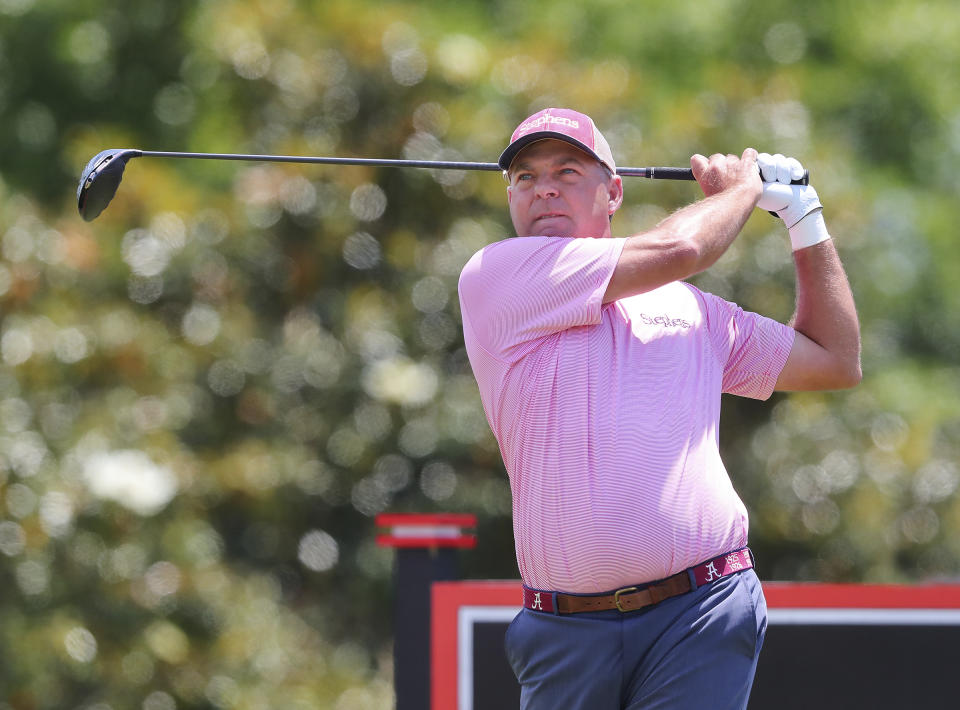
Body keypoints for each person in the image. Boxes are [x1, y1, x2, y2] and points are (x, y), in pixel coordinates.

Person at [457, 108, 861, 710]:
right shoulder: (497, 276)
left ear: (613, 191)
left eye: (568, 171)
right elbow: (686, 243)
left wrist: (804, 220)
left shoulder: (694, 312)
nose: (544, 187)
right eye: (524, 176)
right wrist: (747, 188)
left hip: (701, 609)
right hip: (566, 629)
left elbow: (834, 360)